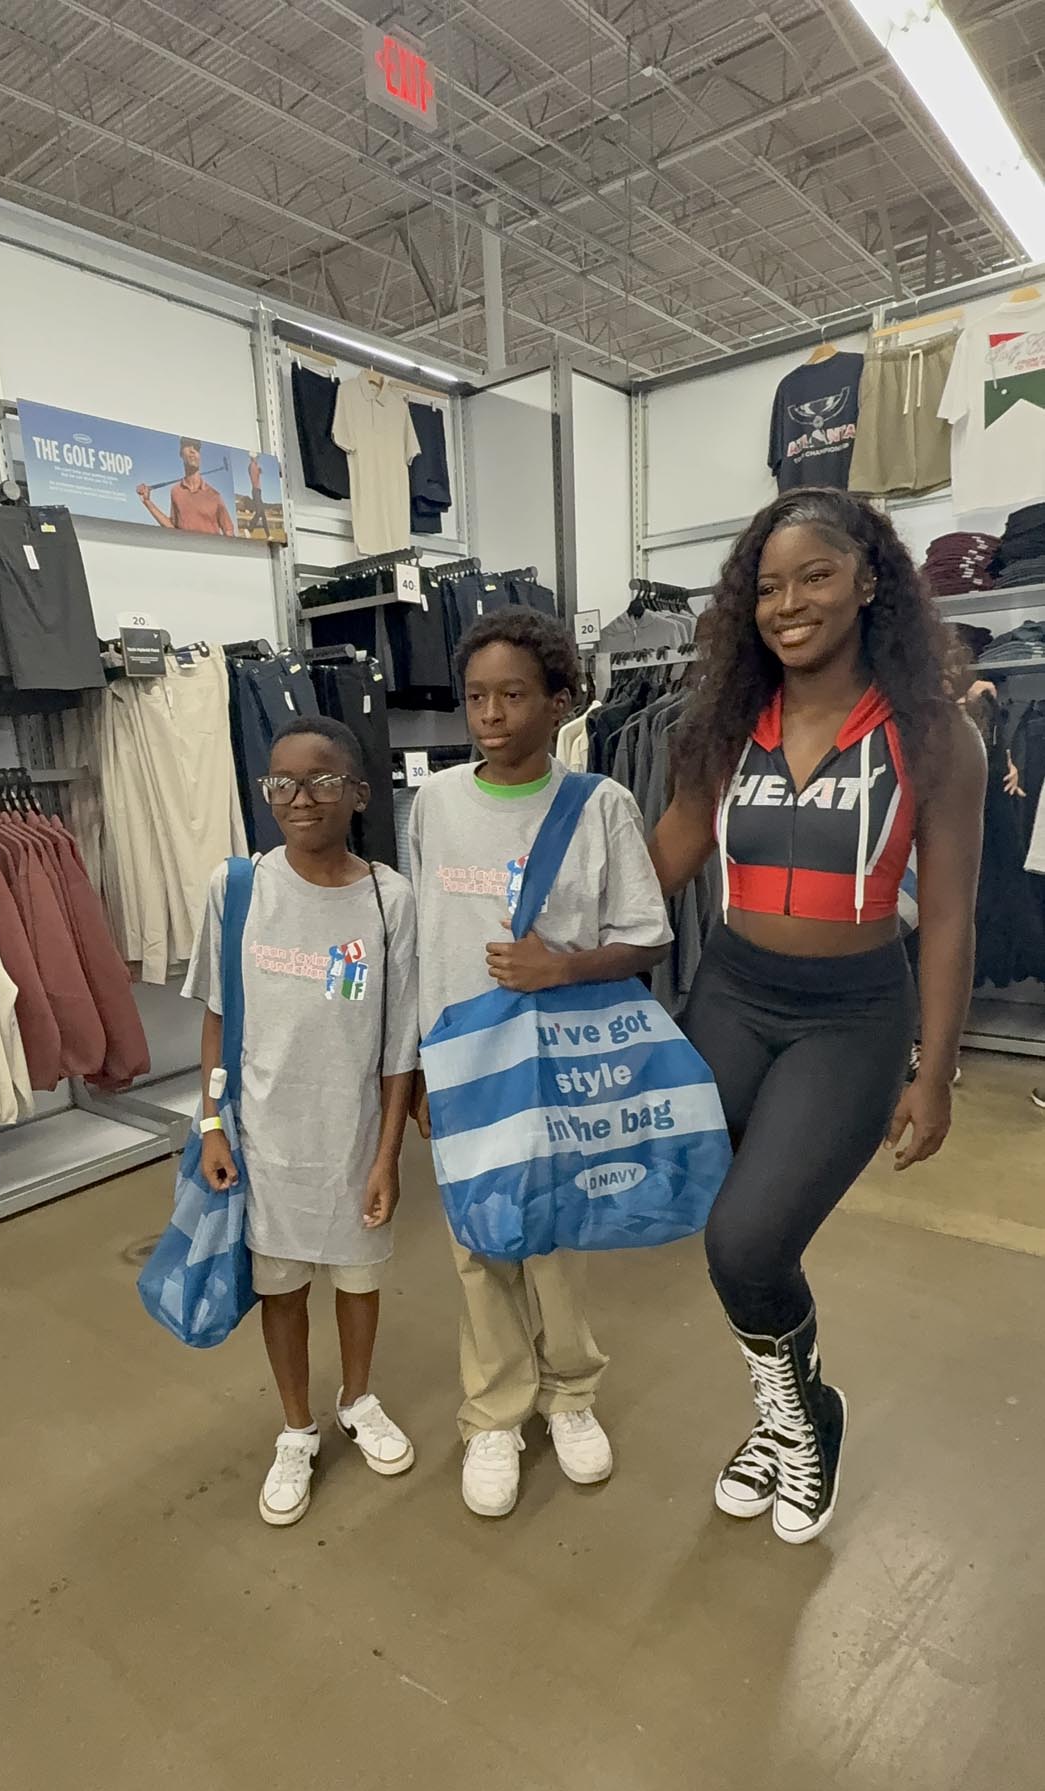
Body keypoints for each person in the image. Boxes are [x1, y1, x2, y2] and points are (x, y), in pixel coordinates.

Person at [650, 488, 985, 1544]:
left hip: (851, 1017)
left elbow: (949, 916)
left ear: (869, 581)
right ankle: (785, 1406)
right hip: (730, 994)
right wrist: (554, 948)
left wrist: (933, 1071)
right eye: (767, 587)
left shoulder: (933, 737)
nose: (788, 604)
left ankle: (806, 1418)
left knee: (749, 1241)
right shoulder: (720, 732)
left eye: (815, 576)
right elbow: (657, 870)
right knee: (717, 1223)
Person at [409, 608, 672, 1519]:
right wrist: (417, 1068)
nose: (490, 714)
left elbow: (647, 937)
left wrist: (559, 967)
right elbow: (422, 941)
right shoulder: (435, 803)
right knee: (478, 1241)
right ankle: (494, 1412)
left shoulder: (599, 805)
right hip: (462, 1060)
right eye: (476, 696)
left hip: (561, 1063)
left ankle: (570, 1394)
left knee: (556, 1234)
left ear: (559, 700)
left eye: (513, 695)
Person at [184, 717, 419, 1527]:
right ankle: (296, 1429)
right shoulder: (238, 888)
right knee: (280, 1290)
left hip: (352, 1137)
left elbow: (398, 1045)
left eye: (321, 780)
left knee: (358, 1280)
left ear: (358, 793)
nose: (300, 798)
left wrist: (386, 1157)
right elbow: (218, 1015)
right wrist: (210, 1124)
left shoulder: (388, 899)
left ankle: (357, 1398)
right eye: (281, 782)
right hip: (265, 1140)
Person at [137, 437, 235, 536]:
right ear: (181, 453)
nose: (193, 450)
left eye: (196, 448)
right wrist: (147, 502)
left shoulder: (214, 496)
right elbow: (173, 528)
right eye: (188, 445)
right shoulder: (176, 492)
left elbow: (229, 531)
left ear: (199, 456)